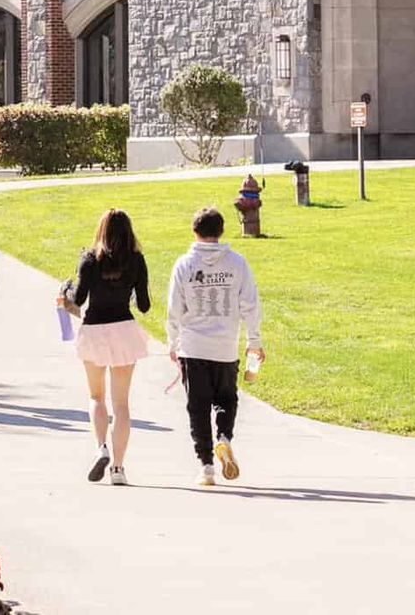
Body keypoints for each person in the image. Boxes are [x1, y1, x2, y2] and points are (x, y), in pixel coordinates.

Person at [166, 205, 264, 488]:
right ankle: (224, 437)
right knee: (225, 399)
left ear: (194, 232)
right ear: (221, 231)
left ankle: (207, 465)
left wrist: (172, 342)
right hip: (225, 347)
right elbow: (251, 304)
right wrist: (254, 341)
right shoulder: (237, 263)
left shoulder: (184, 265)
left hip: (193, 347)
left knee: (197, 407)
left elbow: (174, 308)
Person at [63, 209, 150, 487]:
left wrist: (65, 293)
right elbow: (145, 305)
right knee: (121, 404)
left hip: (95, 331)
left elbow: (78, 299)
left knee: (96, 397)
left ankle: (101, 447)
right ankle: (118, 468)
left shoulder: (90, 260)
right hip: (124, 329)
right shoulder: (136, 261)